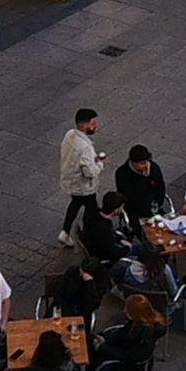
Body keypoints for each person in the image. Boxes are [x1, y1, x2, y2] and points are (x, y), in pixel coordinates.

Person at [92, 295, 165, 371]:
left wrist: (101, 347)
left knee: (95, 364)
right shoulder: (139, 322)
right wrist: (104, 338)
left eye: (127, 310)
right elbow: (121, 334)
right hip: (128, 359)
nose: (124, 311)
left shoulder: (145, 337)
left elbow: (129, 356)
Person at [58, 107, 103, 247]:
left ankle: (65, 232)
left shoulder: (69, 134)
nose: (96, 126)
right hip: (84, 186)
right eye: (93, 123)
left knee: (76, 203)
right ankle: (89, 237)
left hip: (70, 180)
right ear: (84, 126)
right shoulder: (85, 147)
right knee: (92, 211)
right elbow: (89, 172)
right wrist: (100, 164)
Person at [115, 145, 168, 230]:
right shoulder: (122, 174)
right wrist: (143, 179)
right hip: (134, 210)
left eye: (146, 162)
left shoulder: (153, 168)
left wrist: (156, 203)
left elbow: (161, 188)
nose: (146, 165)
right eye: (142, 164)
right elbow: (131, 196)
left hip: (153, 206)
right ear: (133, 163)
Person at [81, 191, 137, 264]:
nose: (122, 209)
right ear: (116, 210)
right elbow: (114, 253)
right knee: (142, 248)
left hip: (95, 246)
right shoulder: (105, 230)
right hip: (103, 257)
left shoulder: (94, 215)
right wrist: (127, 248)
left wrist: (120, 240)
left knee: (123, 232)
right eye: (121, 207)